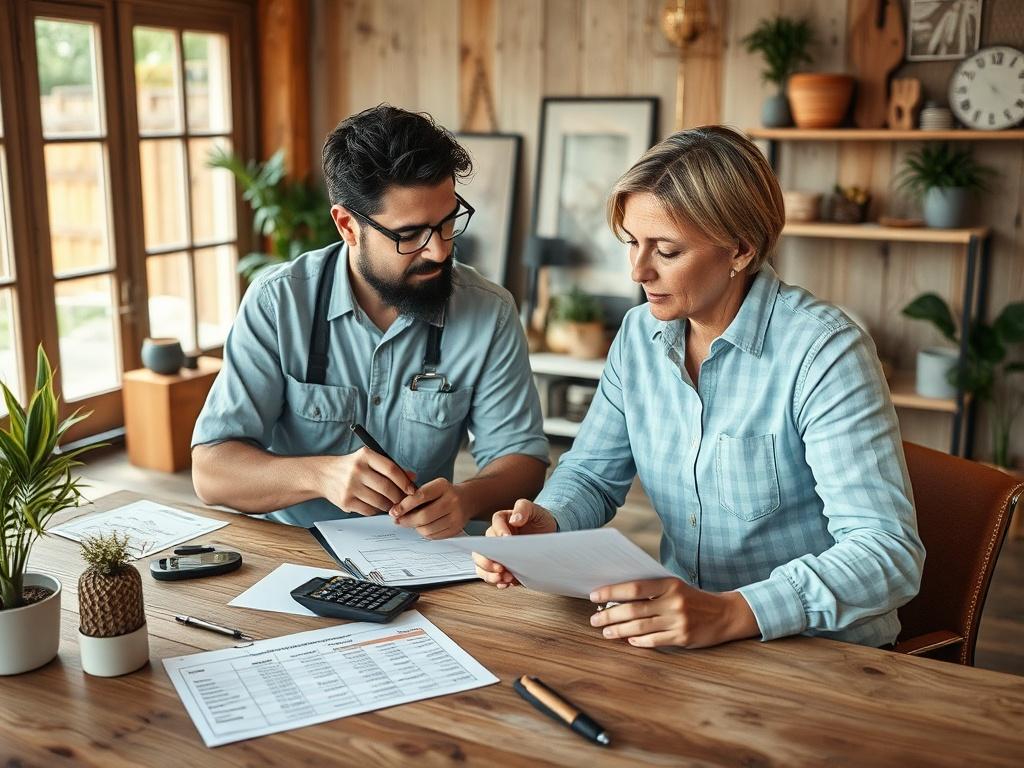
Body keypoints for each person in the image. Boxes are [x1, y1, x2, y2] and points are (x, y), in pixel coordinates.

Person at [474, 126, 925, 649]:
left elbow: (887, 553)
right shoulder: (639, 337)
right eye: (630, 244)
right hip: (683, 640)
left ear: (739, 250)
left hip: (821, 650)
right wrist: (546, 525)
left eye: (665, 250)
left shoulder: (825, 352)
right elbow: (592, 475)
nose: (638, 271)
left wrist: (733, 612)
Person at [192, 105, 549, 537]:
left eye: (448, 222)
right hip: (293, 550)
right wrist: (319, 475)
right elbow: (210, 471)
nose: (438, 250)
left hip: (422, 556)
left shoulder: (489, 312)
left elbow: (522, 461)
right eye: (410, 234)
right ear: (347, 225)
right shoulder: (278, 302)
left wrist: (466, 499)